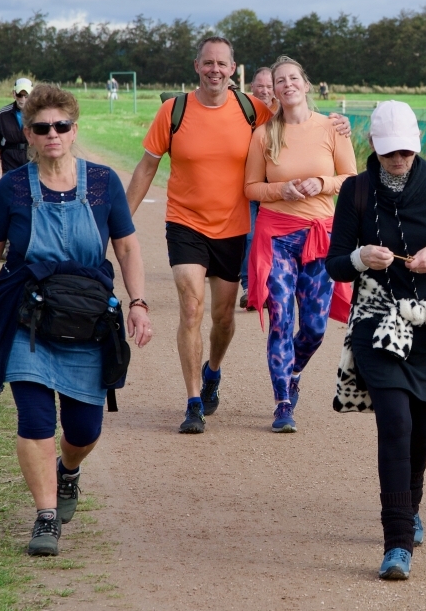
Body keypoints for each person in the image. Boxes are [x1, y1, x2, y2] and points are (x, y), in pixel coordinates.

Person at [0, 84, 153, 557]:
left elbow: (126, 247)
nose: (52, 134)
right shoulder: (13, 188)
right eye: (42, 128)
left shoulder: (102, 183)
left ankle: (68, 470)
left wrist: (139, 302)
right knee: (36, 418)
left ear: (74, 129)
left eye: (61, 126)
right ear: (28, 135)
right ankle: (45, 517)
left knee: (84, 430)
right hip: (28, 321)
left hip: (87, 321)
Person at [125, 37, 350, 434]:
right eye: (208, 62)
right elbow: (146, 168)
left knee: (224, 317)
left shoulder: (253, 111)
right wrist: (121, 221)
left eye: (222, 64)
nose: (215, 69)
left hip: (234, 229)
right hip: (186, 223)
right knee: (192, 308)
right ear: (197, 66)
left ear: (233, 69)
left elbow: (296, 118)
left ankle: (213, 371)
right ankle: (194, 403)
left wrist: (339, 125)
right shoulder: (173, 111)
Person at [326, 100, 426, 580]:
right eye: (390, 152)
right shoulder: (355, 190)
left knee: (421, 429)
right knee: (394, 423)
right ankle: (397, 543)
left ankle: (411, 505)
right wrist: (360, 258)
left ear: (417, 145)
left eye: (406, 152)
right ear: (373, 145)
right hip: (376, 325)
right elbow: (335, 264)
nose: (398, 160)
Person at [243, 56, 356, 432]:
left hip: (320, 238)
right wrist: (281, 190)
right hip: (276, 237)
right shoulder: (264, 134)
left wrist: (322, 183)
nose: (287, 84)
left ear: (306, 85)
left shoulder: (332, 128)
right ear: (274, 91)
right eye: (280, 80)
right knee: (281, 320)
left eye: (294, 78)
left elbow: (351, 178)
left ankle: (292, 372)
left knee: (315, 327)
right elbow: (251, 188)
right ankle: (282, 403)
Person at [239, 66, 277, 310]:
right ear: (251, 86)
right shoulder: (242, 110)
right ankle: (250, 287)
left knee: (273, 238)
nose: (264, 90)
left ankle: (271, 286)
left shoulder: (283, 112)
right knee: (250, 235)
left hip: (275, 187)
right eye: (260, 86)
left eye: (269, 86)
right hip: (248, 185)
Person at [0, 78, 33, 187]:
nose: (23, 99)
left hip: (32, 162)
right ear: (14, 94)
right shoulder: (3, 114)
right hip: (10, 162)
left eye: (26, 96)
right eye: (20, 95)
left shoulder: (39, 114)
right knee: (10, 194)